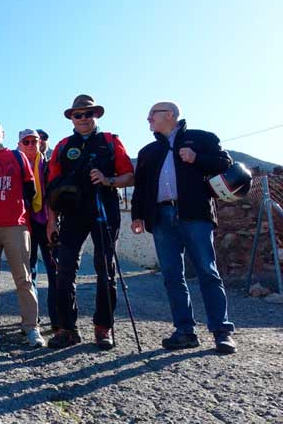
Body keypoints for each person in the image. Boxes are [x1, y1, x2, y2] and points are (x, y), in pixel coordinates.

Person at [131, 102, 236, 354]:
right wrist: (137, 216)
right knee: (172, 276)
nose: (148, 119)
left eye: (152, 114)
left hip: (195, 214)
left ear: (169, 115)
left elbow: (225, 163)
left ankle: (222, 332)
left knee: (207, 271)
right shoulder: (147, 151)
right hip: (161, 217)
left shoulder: (202, 138)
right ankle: (185, 332)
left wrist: (196, 158)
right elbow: (140, 187)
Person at [46, 95, 134, 350]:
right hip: (72, 214)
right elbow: (52, 188)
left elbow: (130, 176)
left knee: (105, 268)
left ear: (96, 115)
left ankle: (103, 328)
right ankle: (67, 329)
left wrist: (108, 180)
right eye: (78, 115)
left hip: (104, 209)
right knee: (65, 270)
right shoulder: (63, 146)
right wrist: (51, 221)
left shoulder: (111, 141)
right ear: (71, 118)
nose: (83, 118)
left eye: (88, 114)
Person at [0, 121, 44, 348]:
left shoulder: (17, 156)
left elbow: (30, 189)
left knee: (23, 278)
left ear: (3, 134)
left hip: (16, 224)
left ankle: (31, 327)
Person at [19, 129, 60, 333]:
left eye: (35, 141)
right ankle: (31, 318)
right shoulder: (17, 165)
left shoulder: (49, 165)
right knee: (29, 272)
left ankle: (57, 318)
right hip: (26, 224)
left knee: (55, 270)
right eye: (26, 142)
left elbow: (54, 193)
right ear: (20, 144)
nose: (32, 145)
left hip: (48, 222)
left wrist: (53, 221)